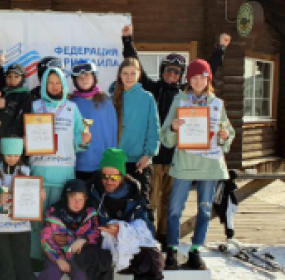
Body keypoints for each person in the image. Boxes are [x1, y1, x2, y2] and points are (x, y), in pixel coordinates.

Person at [122, 25, 230, 244]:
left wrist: (220, 50)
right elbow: (136, 67)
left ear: (182, 75)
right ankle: (150, 238)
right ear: (162, 72)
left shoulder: (186, 95)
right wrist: (128, 42)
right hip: (155, 156)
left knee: (170, 203)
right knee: (151, 200)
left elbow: (207, 72)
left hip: (176, 159)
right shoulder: (153, 89)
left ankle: (165, 239)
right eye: (168, 70)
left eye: (176, 72)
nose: (171, 75)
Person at [82, 149, 164, 280]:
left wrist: (122, 231)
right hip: (102, 243)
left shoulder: (135, 193)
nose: (108, 181)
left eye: (114, 176)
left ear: (122, 175)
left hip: (128, 245)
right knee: (96, 255)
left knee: (153, 258)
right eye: (105, 176)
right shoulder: (90, 190)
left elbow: (147, 227)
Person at [161, 59, 235, 270]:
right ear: (188, 80)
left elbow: (228, 132)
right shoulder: (180, 101)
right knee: (175, 208)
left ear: (208, 79)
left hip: (209, 164)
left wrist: (223, 135)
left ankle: (195, 251)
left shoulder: (216, 104)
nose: (198, 81)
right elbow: (165, 137)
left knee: (204, 210)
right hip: (185, 162)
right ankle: (172, 250)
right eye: (194, 77)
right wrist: (174, 129)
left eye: (202, 77)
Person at [29, 67, 90, 264]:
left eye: (58, 83)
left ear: (63, 85)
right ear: (44, 85)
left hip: (63, 174)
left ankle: (56, 258)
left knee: (58, 221)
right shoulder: (35, 106)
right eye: (50, 83)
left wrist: (84, 140)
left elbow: (79, 143)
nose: (54, 87)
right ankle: (35, 256)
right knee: (36, 219)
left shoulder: (72, 109)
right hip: (39, 172)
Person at [0, 137, 45, 280]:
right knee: (6, 269)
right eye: (9, 155)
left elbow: (32, 195)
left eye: (16, 155)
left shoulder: (26, 172)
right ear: (2, 154)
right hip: (0, 227)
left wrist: (38, 195)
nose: (13, 159)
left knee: (24, 268)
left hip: (21, 226)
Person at [38, 179, 99, 280]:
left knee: (82, 277)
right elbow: (46, 239)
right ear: (66, 198)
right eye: (73, 199)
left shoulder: (90, 214)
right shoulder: (54, 212)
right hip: (56, 255)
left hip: (78, 257)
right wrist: (57, 259)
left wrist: (83, 239)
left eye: (81, 199)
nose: (77, 203)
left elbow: (96, 233)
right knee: (48, 276)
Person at [111, 58, 160, 208]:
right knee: (116, 203)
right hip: (116, 160)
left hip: (139, 160)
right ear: (119, 75)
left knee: (140, 205)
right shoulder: (112, 97)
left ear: (139, 75)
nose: (129, 77)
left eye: (133, 73)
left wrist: (148, 154)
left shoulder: (147, 98)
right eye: (125, 73)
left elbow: (154, 128)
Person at [69, 60, 118, 182]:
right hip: (77, 165)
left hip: (101, 165)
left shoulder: (105, 102)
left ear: (94, 77)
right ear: (75, 81)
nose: (84, 79)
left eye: (87, 76)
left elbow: (112, 133)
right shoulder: (70, 104)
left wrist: (111, 161)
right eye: (79, 77)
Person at [0, 64, 32, 140]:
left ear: (23, 78)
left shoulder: (25, 96)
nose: (12, 79)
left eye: (16, 76)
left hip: (12, 140)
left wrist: (6, 105)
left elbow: (23, 120)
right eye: (9, 76)